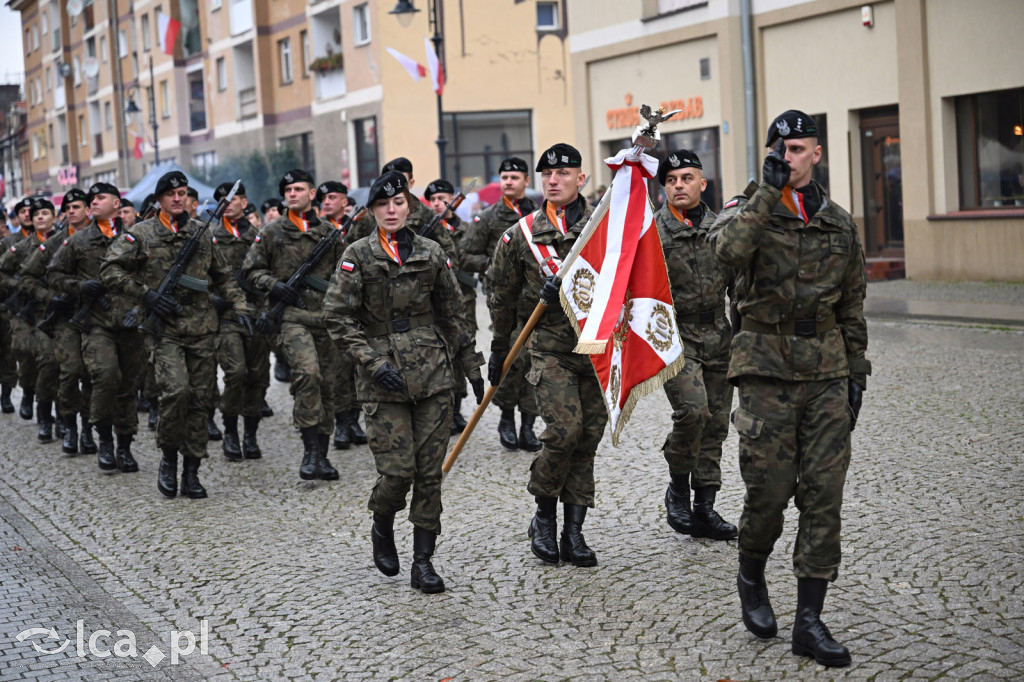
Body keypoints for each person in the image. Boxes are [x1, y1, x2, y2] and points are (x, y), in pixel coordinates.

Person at [711, 110, 870, 667]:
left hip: (826, 372)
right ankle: (751, 573)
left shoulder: (839, 224)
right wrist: (764, 194)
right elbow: (723, 257)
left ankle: (810, 619)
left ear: (817, 154)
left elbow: (851, 306)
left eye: (799, 149)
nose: (790, 158)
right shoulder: (748, 210)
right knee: (771, 493)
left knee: (824, 497)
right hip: (764, 370)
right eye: (781, 149)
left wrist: (856, 375)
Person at [323, 170, 484, 594]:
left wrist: (471, 365)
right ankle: (382, 521)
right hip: (382, 380)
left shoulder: (431, 253)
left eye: (398, 203)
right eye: (382, 205)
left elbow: (453, 312)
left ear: (409, 207)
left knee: (430, 473)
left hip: (432, 373)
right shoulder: (357, 254)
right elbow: (337, 317)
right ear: (373, 211)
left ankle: (424, 561)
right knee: (398, 472)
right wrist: (372, 363)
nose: (391, 211)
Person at [488, 143, 605, 568]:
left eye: (563, 173)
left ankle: (574, 532)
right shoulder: (520, 235)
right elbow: (499, 296)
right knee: (565, 431)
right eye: (547, 175)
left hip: (594, 346)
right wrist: (500, 350)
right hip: (549, 346)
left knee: (588, 437)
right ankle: (543, 515)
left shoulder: (603, 227)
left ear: (581, 179)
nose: (553, 181)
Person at [102, 171, 251, 498]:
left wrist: (241, 307)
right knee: (176, 392)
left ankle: (192, 469)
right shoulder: (141, 234)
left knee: (202, 398)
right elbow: (110, 271)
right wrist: (146, 295)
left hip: (202, 327)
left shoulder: (202, 232)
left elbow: (223, 277)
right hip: (164, 329)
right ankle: (168, 458)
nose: (178, 198)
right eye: (171, 194)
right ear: (159, 200)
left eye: (182, 192)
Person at [654, 150, 737, 541]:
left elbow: (739, 285)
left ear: (703, 184)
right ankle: (677, 485)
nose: (679, 185)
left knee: (717, 423)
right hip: (675, 337)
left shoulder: (722, 228)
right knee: (693, 412)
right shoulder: (652, 233)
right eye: (671, 180)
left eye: (687, 178)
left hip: (719, 336)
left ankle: (705, 507)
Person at [240, 169, 344, 481]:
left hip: (326, 319)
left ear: (313, 194)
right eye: (288, 190)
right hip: (291, 319)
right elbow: (249, 271)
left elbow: (346, 275)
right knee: (308, 374)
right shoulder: (272, 233)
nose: (292, 194)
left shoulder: (330, 233)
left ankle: (322, 456)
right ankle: (310, 450)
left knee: (327, 384)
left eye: (299, 189)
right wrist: (274, 285)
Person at [49, 183, 144, 470]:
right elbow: (53, 274)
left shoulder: (136, 238)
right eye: (91, 199)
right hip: (96, 325)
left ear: (117, 203)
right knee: (105, 377)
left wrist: (140, 309)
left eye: (101, 198)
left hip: (129, 324)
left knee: (129, 386)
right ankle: (104, 438)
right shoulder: (78, 241)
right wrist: (80, 287)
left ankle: (125, 445)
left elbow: (154, 278)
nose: (94, 202)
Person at [461, 156, 541, 452]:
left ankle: (529, 426)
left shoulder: (540, 214)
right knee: (510, 362)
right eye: (504, 177)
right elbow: (465, 254)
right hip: (504, 303)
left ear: (525, 182)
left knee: (535, 363)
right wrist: (497, 265)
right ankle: (507, 419)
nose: (509, 181)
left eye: (515, 177)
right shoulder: (488, 218)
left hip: (537, 303)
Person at [18, 188, 94, 450]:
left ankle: (89, 429)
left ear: (88, 210)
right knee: (69, 371)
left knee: (95, 375)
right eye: (68, 208)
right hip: (63, 318)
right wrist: (49, 297)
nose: (71, 211)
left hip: (98, 318)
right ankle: (69, 424)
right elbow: (26, 277)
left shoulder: (104, 238)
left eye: (77, 207)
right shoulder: (54, 244)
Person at [210, 181, 269, 461]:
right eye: (221, 199)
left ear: (244, 203)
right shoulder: (208, 235)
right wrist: (212, 297)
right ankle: (231, 430)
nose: (226, 202)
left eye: (232, 198)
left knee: (257, 377)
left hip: (256, 314)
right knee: (236, 373)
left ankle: (251, 435)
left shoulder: (260, 236)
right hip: (226, 317)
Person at [0, 198, 61, 440]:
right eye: (26, 212)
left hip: (57, 312)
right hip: (24, 311)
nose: (32, 215)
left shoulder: (62, 242)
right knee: (25, 352)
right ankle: (28, 390)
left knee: (56, 363)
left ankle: (59, 416)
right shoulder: (16, 244)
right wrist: (21, 286)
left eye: (39, 212)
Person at [316, 180, 367, 451]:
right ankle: (340, 423)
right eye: (323, 198)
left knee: (356, 368)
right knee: (336, 370)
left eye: (333, 197)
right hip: (330, 307)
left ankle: (354, 419)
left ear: (345, 202)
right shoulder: (317, 229)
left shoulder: (360, 226)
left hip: (359, 306)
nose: (326, 202)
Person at [424, 178, 477, 435]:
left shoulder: (467, 228)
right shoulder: (427, 231)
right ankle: (441, 411)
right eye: (432, 200)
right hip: (437, 305)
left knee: (461, 355)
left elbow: (476, 256)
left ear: (454, 200)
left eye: (441, 198)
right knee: (441, 357)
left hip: (464, 302)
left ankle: (456, 410)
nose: (436, 204)